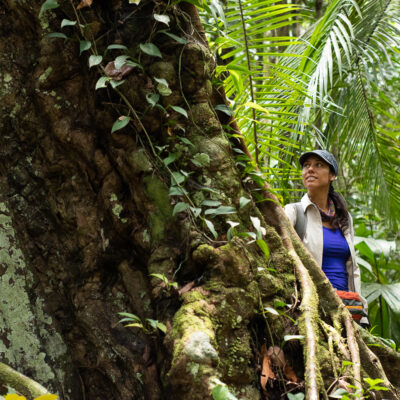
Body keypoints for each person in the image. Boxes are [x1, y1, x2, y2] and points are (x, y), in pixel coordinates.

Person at [284, 150, 368, 325]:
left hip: (347, 307)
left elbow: (353, 268)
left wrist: (363, 310)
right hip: (312, 308)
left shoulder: (345, 218)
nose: (310, 169)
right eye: (306, 165)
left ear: (332, 176)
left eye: (318, 165)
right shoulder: (294, 212)